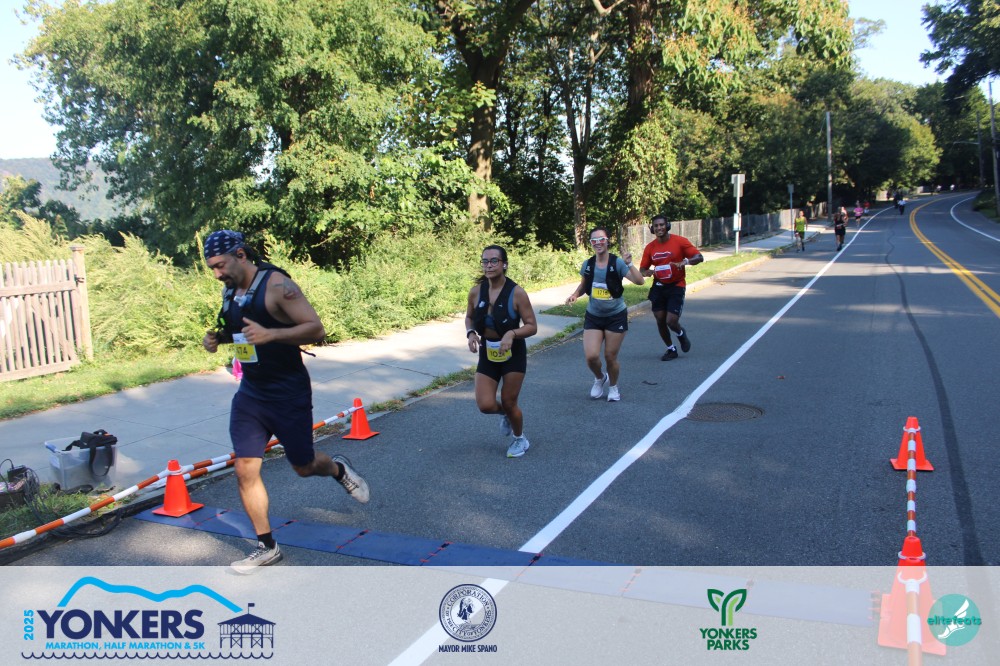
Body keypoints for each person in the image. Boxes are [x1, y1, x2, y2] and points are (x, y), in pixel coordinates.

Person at [202, 230, 370, 573]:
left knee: (303, 466)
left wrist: (272, 335)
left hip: (288, 392)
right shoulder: (230, 290)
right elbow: (239, 330)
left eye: (220, 265)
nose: (217, 274)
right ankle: (267, 546)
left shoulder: (278, 285)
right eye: (212, 268)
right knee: (244, 468)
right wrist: (217, 338)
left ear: (240, 254)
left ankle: (338, 469)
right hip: (251, 393)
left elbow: (316, 329)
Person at [465, 245, 538, 458]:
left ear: (504, 264)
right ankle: (505, 414)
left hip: (513, 353)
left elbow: (532, 326)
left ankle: (520, 438)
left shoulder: (517, 293)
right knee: (485, 405)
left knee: (509, 400)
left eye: (494, 261)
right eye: (485, 261)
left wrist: (512, 333)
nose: (489, 265)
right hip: (487, 351)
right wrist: (471, 333)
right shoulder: (476, 292)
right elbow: (469, 317)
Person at [564, 227, 644, 402]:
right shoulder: (588, 264)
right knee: (591, 357)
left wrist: (630, 263)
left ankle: (613, 387)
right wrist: (575, 295)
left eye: (601, 239)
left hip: (616, 316)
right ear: (591, 243)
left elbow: (640, 281)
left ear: (607, 241)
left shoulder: (617, 263)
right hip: (594, 316)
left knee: (610, 356)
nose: (598, 243)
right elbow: (584, 285)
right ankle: (600, 377)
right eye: (594, 240)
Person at [640, 215, 704, 361]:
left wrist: (685, 261)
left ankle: (681, 334)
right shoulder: (650, 247)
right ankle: (671, 349)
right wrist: (646, 272)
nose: (659, 228)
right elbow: (642, 268)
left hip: (676, 285)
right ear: (652, 229)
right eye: (656, 226)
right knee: (660, 319)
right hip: (659, 286)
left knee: (671, 321)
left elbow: (699, 257)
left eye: (661, 225)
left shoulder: (680, 241)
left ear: (667, 226)